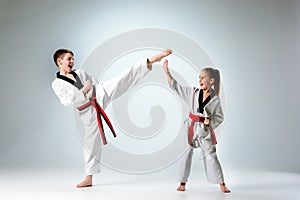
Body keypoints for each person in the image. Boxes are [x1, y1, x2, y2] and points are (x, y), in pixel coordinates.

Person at [52, 48, 172, 188]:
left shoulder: (80, 73)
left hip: (99, 93)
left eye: (73, 58)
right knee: (90, 143)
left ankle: (150, 61)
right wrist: (84, 89)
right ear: (59, 61)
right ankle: (89, 178)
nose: (72, 61)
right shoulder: (57, 83)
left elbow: (94, 82)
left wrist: (93, 90)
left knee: (121, 79)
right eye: (69, 59)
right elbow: (68, 102)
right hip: (86, 110)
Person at [163, 60, 230, 193]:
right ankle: (182, 182)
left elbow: (220, 117)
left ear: (211, 81)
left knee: (211, 155)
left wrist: (210, 122)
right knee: (186, 153)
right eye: (199, 77)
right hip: (191, 128)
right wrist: (167, 72)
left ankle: (221, 183)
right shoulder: (193, 93)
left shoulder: (215, 99)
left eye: (203, 77)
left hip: (205, 131)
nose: (200, 80)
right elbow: (177, 87)